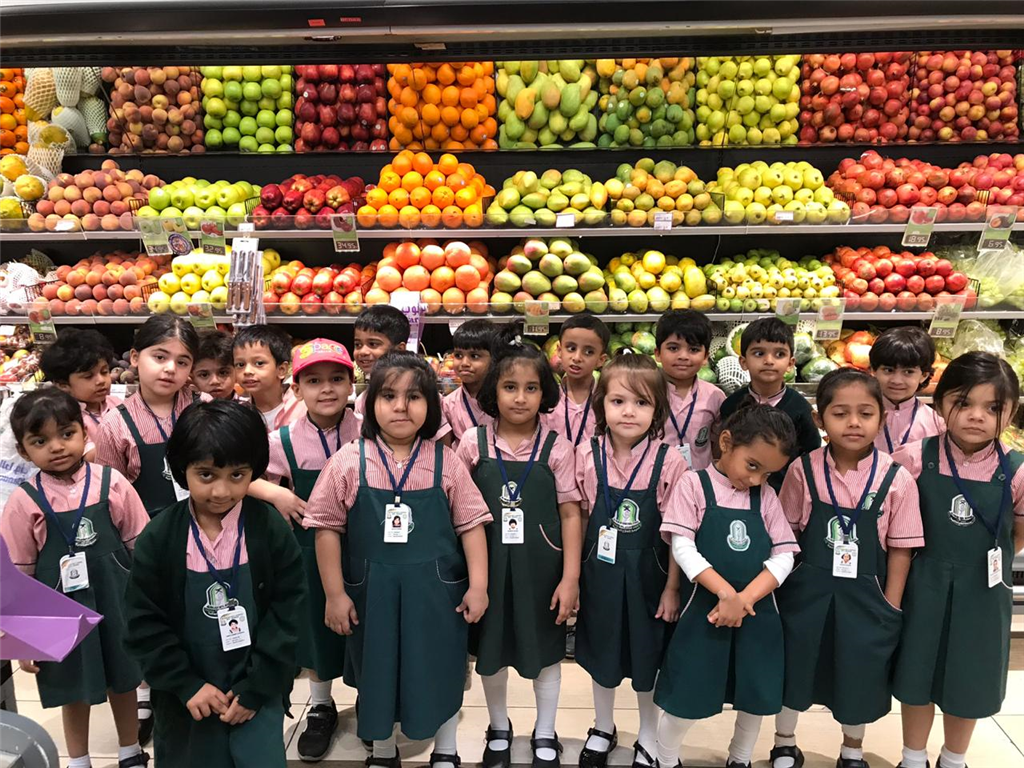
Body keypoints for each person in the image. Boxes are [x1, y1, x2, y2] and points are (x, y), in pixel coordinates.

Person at [305, 352, 490, 768]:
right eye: (389, 396)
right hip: (372, 595)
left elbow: (472, 525)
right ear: (369, 403)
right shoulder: (348, 461)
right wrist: (335, 594)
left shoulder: (447, 461)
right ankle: (384, 750)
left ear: (432, 406)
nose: (401, 407)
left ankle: (446, 750)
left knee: (440, 668)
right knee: (377, 672)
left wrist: (478, 586)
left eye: (415, 396)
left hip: (437, 596)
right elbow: (326, 529)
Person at [123, 400, 304, 768]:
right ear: (182, 469)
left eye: (237, 475)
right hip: (187, 699)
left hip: (256, 691)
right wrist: (185, 684)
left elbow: (290, 611)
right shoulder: (160, 537)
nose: (222, 491)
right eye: (206, 475)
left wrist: (257, 687)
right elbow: (143, 622)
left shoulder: (269, 528)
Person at [770, 369, 923, 768]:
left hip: (868, 598)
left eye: (865, 413)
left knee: (860, 672)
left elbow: (901, 549)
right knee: (795, 666)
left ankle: (852, 748)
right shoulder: (803, 470)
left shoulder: (897, 478)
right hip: (806, 594)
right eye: (840, 413)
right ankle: (784, 742)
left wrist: (889, 606)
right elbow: (786, 535)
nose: (853, 423)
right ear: (819, 419)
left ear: (881, 419)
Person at [1, 388, 150, 768]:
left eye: (66, 434)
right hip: (59, 614)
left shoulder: (111, 483)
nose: (56, 447)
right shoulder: (23, 501)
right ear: (23, 451)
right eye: (40, 441)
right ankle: (79, 760)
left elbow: (140, 545)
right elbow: (17, 575)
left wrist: (151, 605)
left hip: (116, 601)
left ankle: (131, 751)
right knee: (73, 688)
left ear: (85, 434)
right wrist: (24, 638)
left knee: (125, 679)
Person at [456, 325, 582, 768]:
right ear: (494, 390)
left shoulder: (558, 448)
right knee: (491, 651)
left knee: (545, 651)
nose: (520, 398)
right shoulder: (472, 443)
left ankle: (545, 730)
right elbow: (458, 508)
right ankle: (498, 726)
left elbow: (571, 514)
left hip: (542, 570)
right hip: (487, 568)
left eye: (531, 388)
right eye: (510, 387)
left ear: (545, 393)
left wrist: (570, 578)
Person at [892, 352, 1024, 768]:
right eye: (963, 402)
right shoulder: (913, 458)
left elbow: (1018, 533)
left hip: (984, 592)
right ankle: (913, 757)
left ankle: (953, 759)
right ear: (939, 402)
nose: (976, 416)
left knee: (970, 678)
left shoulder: (1017, 470)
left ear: (1012, 413)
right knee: (917, 673)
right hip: (923, 582)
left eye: (993, 408)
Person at [657, 405, 800, 768]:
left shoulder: (766, 497)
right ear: (725, 442)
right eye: (752, 465)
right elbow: (683, 547)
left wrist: (745, 599)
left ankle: (741, 758)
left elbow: (785, 554)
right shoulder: (693, 485)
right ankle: (666, 758)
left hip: (757, 614)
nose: (756, 479)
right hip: (704, 613)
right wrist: (725, 594)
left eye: (767, 473)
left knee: (755, 695)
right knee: (686, 694)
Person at [573, 354, 686, 768]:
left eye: (641, 403)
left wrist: (673, 588)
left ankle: (648, 734)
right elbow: (577, 517)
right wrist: (574, 577)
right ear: (600, 403)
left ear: (658, 409)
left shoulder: (670, 460)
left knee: (647, 655)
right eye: (618, 401)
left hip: (650, 577)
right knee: (600, 651)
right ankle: (603, 726)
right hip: (598, 573)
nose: (628, 412)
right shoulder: (585, 455)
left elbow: (678, 532)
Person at [262, 338, 359, 763]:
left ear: (351, 385)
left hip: (365, 547)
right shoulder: (281, 439)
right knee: (318, 630)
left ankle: (371, 696)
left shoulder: (367, 429)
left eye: (337, 378)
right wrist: (277, 493)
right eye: (314, 381)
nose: (327, 389)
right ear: (296, 387)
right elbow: (244, 477)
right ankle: (320, 706)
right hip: (308, 550)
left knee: (365, 627)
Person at [716, 318, 821, 491]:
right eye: (759, 353)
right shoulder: (731, 405)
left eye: (779, 354)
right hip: (736, 490)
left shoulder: (801, 410)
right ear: (743, 362)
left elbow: (811, 454)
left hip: (783, 493)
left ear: (790, 364)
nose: (769, 361)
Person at [655, 310, 725, 470]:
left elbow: (718, 443)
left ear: (706, 357)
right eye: (673, 348)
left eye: (693, 350)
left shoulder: (715, 396)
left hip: (700, 477)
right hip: (656, 478)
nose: (683, 356)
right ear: (658, 353)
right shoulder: (646, 393)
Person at [39, 328, 121, 459]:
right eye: (88, 376)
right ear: (63, 385)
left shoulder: (117, 403)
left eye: (104, 372)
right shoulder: (66, 419)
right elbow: (89, 457)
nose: (101, 380)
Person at [869, 327, 944, 454]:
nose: (897, 380)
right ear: (873, 370)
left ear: (924, 375)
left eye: (908, 372)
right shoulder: (859, 417)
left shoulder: (936, 423)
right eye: (888, 370)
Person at [540, 315, 609, 449]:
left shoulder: (606, 400)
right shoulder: (547, 398)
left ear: (601, 360)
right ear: (559, 351)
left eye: (588, 352)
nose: (577, 358)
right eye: (571, 348)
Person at [232, 325, 305, 431]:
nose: (247, 371)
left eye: (259, 363)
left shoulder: (302, 406)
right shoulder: (239, 414)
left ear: (281, 370)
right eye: (240, 365)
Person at [442, 318, 497, 441]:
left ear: (494, 358)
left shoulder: (503, 399)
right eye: (458, 355)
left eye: (474, 356)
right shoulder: (449, 404)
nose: (464, 363)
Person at [352, 305, 410, 417]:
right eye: (358, 344)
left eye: (373, 344)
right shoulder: (363, 401)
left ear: (399, 349)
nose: (363, 351)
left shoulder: (420, 393)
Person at [192, 330, 238, 400]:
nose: (215, 381)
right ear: (191, 377)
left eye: (223, 373)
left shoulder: (248, 405)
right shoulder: (184, 405)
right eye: (204, 375)